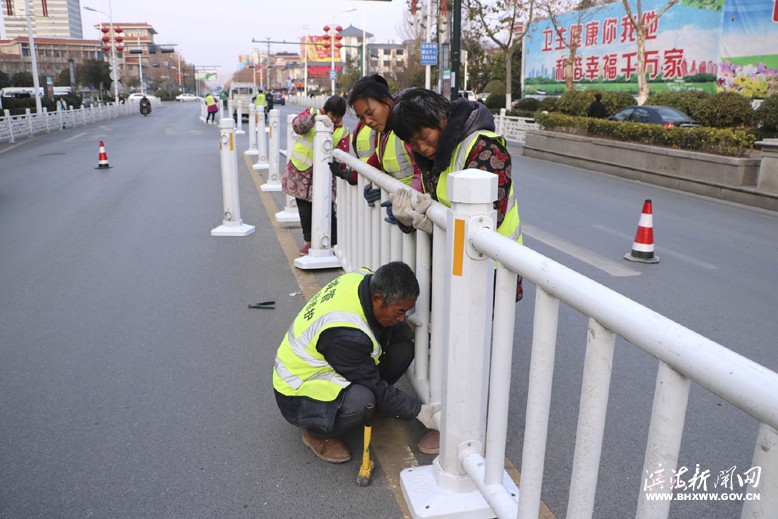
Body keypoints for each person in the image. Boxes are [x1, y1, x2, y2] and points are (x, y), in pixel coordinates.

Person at [273, 261, 438, 463]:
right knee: (362, 400)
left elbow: (387, 331)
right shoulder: (345, 334)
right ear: (377, 300)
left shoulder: (365, 280)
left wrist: (416, 333)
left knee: (402, 349)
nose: (402, 318)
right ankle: (316, 432)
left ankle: (377, 406)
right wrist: (418, 411)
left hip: (332, 363)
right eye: (399, 312)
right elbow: (373, 384)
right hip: (297, 392)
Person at [281, 95, 350, 256]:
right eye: (331, 115)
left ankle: (333, 241)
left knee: (326, 208)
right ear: (325, 110)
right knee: (305, 210)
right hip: (300, 171)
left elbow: (342, 154)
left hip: (324, 177)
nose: (332, 119)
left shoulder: (342, 131)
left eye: (337, 117)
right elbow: (297, 126)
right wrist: (316, 118)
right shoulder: (311, 114)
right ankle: (309, 242)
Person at [347, 74, 423, 195]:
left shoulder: (405, 125)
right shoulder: (385, 131)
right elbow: (376, 162)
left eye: (370, 113)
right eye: (361, 117)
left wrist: (408, 199)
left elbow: (422, 170)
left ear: (387, 102)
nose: (367, 121)